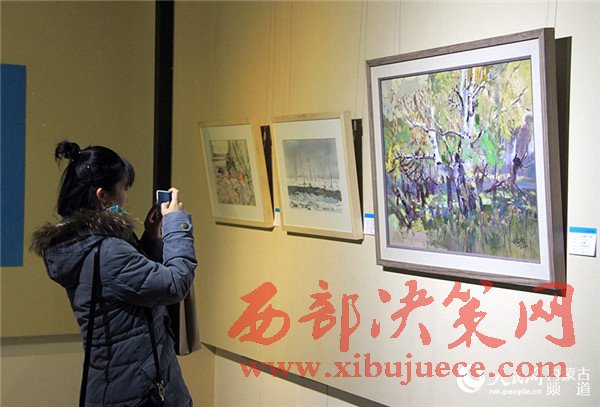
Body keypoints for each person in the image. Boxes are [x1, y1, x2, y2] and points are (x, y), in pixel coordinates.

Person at [31, 141, 196, 406]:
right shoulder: (108, 250)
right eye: (124, 188)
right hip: (138, 391)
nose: (126, 197)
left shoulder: (86, 243)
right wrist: (177, 223)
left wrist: (152, 236)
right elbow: (175, 284)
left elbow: (138, 286)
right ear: (102, 196)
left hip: (118, 383)